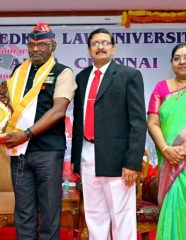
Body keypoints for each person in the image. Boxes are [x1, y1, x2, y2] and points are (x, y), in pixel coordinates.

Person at [2, 22, 76, 240]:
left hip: (47, 152)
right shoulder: (19, 71)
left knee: (49, 210)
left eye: (41, 44)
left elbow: (58, 111)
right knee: (23, 211)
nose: (35, 49)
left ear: (53, 45)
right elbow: (7, 106)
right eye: (32, 44)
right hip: (19, 152)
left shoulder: (63, 72)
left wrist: (26, 134)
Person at [71, 28, 147, 240]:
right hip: (87, 155)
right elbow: (79, 119)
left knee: (122, 215)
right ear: (89, 50)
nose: (100, 47)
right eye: (95, 43)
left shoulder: (129, 75)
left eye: (105, 43)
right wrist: (76, 158)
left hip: (118, 159)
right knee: (95, 214)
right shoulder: (82, 77)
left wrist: (132, 162)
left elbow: (138, 122)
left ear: (114, 49)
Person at [147, 43, 186, 240]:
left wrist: (182, 150)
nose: (182, 61)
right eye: (177, 58)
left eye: (185, 57)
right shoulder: (161, 88)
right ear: (171, 63)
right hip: (168, 157)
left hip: (182, 157)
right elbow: (152, 122)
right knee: (172, 203)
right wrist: (165, 148)